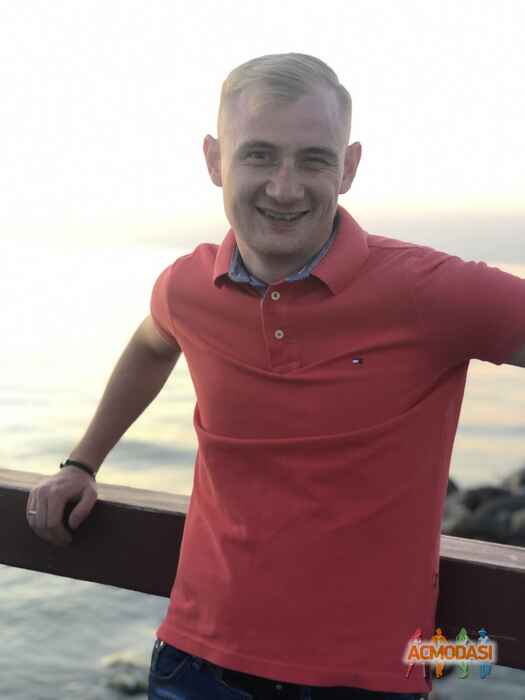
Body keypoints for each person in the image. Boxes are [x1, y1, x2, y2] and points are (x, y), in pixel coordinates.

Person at [26, 52, 525, 700]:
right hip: (192, 662)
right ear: (215, 160)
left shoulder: (432, 290)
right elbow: (152, 343)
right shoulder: (187, 286)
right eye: (259, 155)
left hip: (365, 682)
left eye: (313, 160)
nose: (284, 189)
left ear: (348, 168)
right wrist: (82, 463)